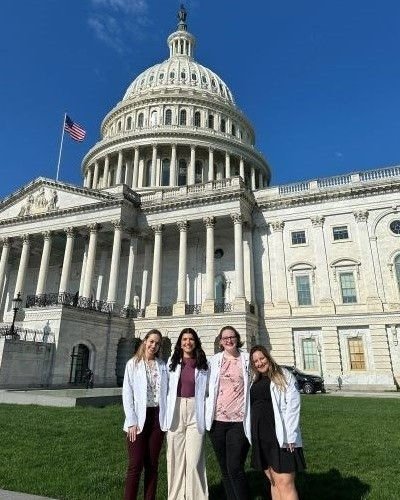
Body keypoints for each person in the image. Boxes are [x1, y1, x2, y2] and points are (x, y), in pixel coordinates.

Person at [249, 345, 306, 500]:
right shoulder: (254, 380)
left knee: (285, 484)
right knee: (273, 482)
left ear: (268, 357)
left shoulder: (283, 375)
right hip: (261, 437)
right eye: (255, 361)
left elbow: (293, 406)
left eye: (262, 358)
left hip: (281, 437)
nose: (259, 363)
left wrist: (290, 435)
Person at [206, 325, 251, 500]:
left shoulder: (246, 359)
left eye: (232, 337)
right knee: (225, 468)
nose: (229, 340)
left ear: (237, 338)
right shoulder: (214, 360)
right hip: (217, 422)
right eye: (225, 338)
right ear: (220, 342)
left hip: (238, 421)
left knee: (235, 467)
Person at [122, 329, 168, 500]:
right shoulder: (132, 364)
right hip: (138, 420)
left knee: (152, 464)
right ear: (145, 341)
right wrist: (132, 422)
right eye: (151, 341)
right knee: (135, 465)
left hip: (157, 417)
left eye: (157, 343)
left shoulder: (162, 365)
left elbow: (167, 393)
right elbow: (127, 394)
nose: (154, 345)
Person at [165, 328, 209, 500]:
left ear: (196, 341)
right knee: (174, 459)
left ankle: (197, 497)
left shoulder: (204, 363)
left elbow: (210, 389)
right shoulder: (173, 361)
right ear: (180, 342)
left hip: (195, 410)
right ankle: (175, 497)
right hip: (176, 408)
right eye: (184, 339)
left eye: (191, 339)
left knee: (194, 461)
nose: (188, 342)